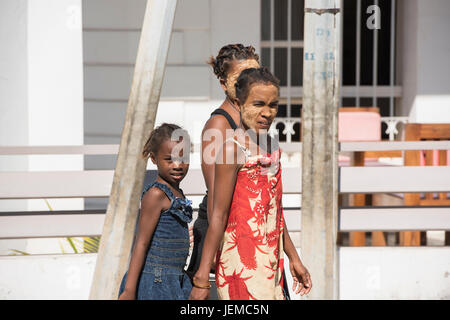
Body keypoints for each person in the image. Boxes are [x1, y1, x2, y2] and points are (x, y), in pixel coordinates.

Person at [189, 67, 312, 300]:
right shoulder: (232, 150)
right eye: (258, 104)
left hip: (272, 261)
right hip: (240, 263)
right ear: (239, 103)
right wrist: (202, 276)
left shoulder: (273, 146)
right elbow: (218, 215)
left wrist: (294, 258)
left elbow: (275, 211)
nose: (267, 112)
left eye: (273, 105)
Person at [186, 43, 259, 274]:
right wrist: (218, 252)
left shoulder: (253, 120)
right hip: (222, 237)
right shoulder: (218, 124)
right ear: (223, 83)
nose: (250, 82)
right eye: (241, 77)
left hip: (249, 232)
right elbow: (216, 196)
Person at [118, 123, 193, 300]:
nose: (177, 165)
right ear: (154, 159)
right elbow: (141, 243)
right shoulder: (155, 194)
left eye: (183, 158)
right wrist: (129, 290)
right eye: (169, 159)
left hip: (175, 278)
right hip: (156, 281)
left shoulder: (178, 193)